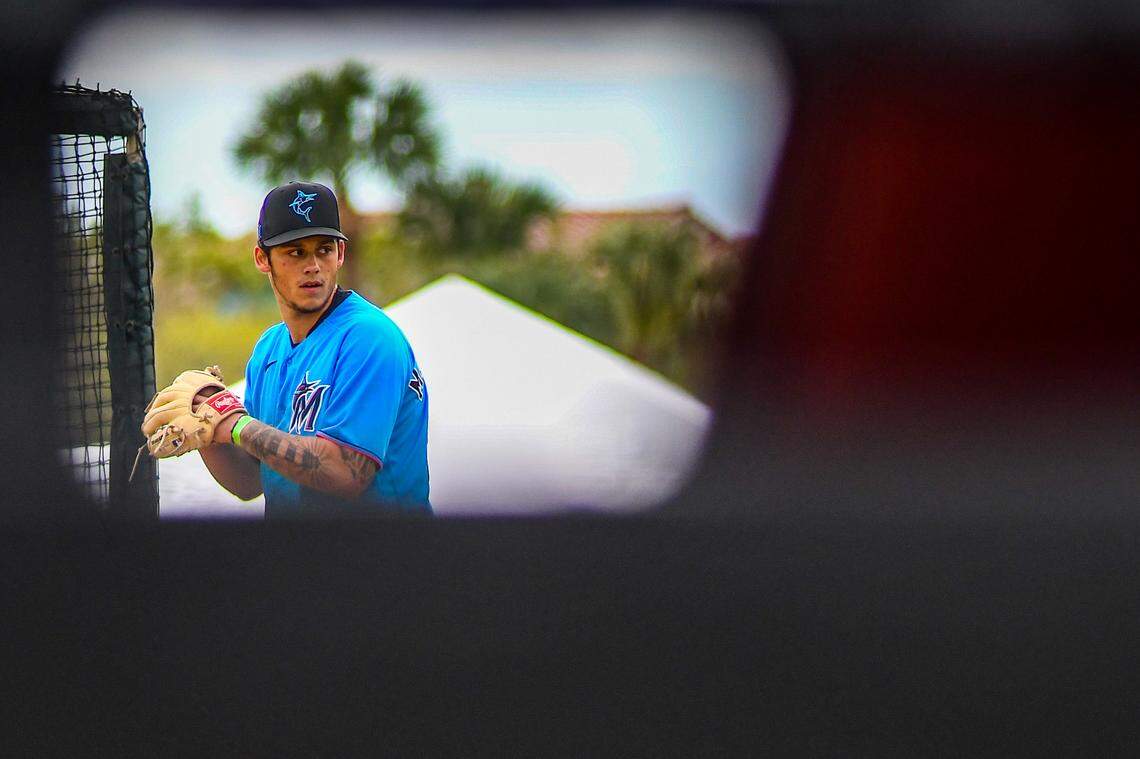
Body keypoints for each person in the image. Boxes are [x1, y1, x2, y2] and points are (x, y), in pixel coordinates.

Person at [184, 181, 430, 517]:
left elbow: (346, 473)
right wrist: (207, 428)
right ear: (262, 258)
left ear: (341, 254)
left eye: (324, 249)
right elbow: (249, 480)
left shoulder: (368, 337)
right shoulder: (269, 350)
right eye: (295, 251)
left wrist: (238, 426)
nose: (312, 264)